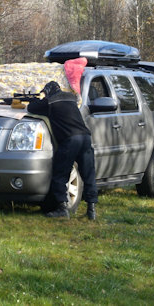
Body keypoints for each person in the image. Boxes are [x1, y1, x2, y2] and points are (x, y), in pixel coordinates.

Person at [27, 81, 98, 220]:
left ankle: (62, 208)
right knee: (88, 174)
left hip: (71, 140)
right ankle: (91, 210)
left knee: (60, 174)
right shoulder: (71, 98)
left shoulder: (50, 102)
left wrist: (36, 100)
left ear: (48, 92)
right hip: (85, 137)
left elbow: (31, 108)